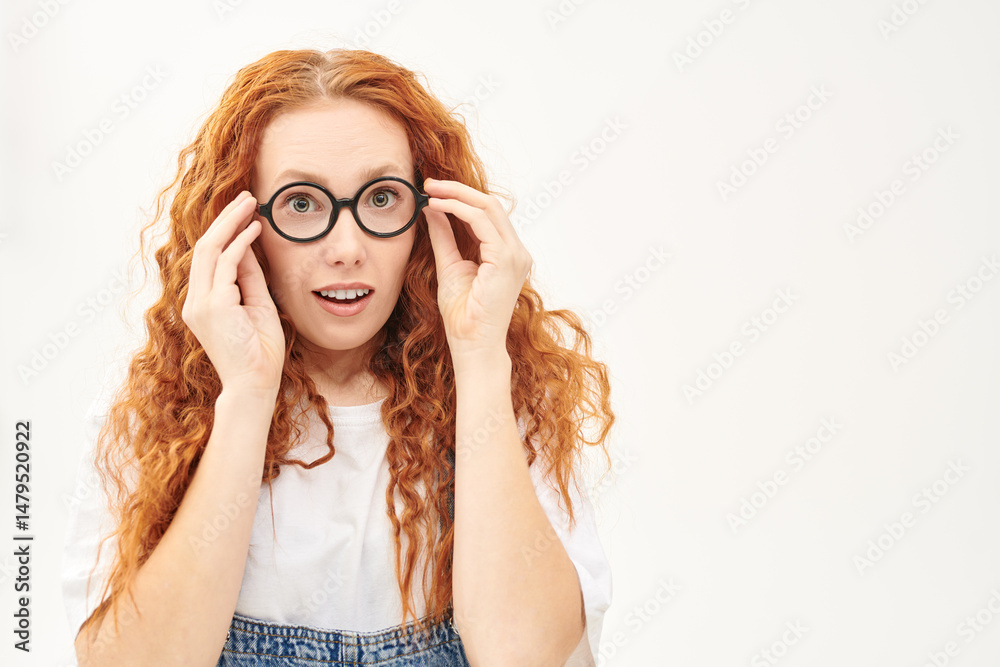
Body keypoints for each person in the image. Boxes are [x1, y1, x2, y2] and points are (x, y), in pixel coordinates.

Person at [61, 48, 615, 666]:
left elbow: (525, 656)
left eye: (381, 198)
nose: (347, 248)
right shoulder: (157, 409)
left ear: (426, 217)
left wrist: (481, 357)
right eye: (301, 204)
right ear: (241, 228)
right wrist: (247, 393)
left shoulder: (509, 394)